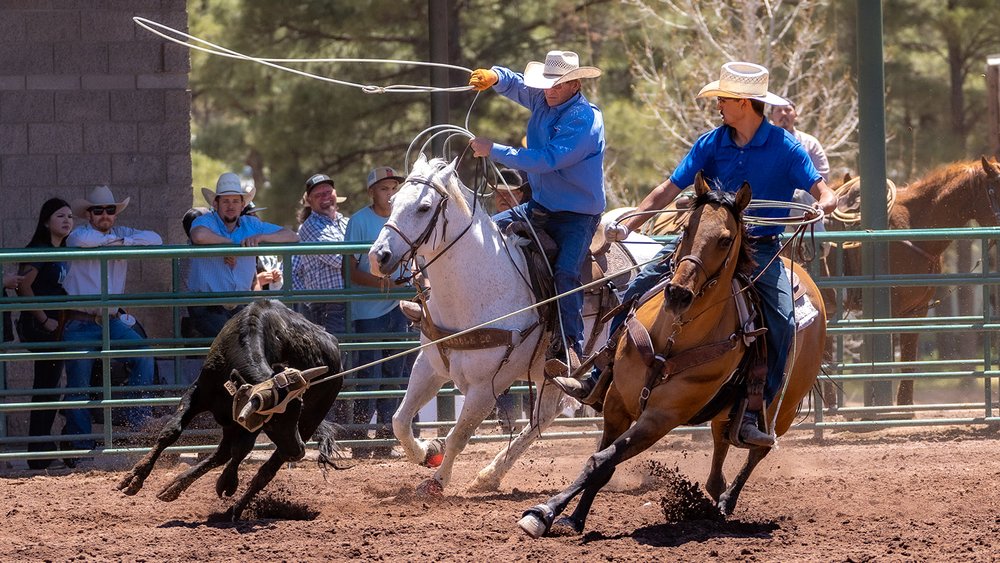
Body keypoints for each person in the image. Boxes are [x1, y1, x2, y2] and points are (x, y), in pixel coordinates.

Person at [553, 62, 837, 447]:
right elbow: (668, 189)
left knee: (783, 320)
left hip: (760, 251)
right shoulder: (710, 143)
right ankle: (601, 371)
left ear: (743, 103)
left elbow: (822, 189)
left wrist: (826, 202)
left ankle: (756, 411)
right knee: (636, 288)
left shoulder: (785, 148)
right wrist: (630, 222)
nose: (718, 105)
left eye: (723, 98)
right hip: (703, 247)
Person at [469, 49, 606, 375]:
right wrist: (496, 75)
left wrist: (494, 150)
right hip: (542, 206)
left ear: (575, 84)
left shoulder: (585, 120)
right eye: (546, 83)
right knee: (484, 231)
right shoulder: (547, 99)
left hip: (578, 216)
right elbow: (516, 85)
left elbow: (547, 159)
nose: (549, 89)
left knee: (565, 275)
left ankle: (570, 346)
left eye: (557, 84)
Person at [61, 185, 163, 451]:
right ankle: (81, 446)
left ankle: (138, 422)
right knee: (78, 385)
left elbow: (156, 239)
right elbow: (81, 242)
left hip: (111, 319)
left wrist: (121, 242)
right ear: (89, 214)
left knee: (143, 354)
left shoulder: (121, 234)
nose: (105, 215)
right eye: (99, 210)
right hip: (80, 320)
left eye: (110, 210)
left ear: (115, 214)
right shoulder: (78, 234)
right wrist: (120, 243)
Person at [343, 166, 410, 458]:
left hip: (398, 307)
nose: (391, 193)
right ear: (372, 192)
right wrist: (384, 283)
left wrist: (396, 287)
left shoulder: (403, 218)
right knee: (369, 377)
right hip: (369, 311)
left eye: (394, 187)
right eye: (384, 188)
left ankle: (384, 439)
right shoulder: (359, 221)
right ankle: (360, 441)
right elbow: (350, 271)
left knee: (393, 375)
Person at [187, 172, 298, 337]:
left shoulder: (252, 224)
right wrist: (230, 246)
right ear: (216, 204)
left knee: (266, 338)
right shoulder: (206, 221)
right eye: (225, 201)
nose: (230, 206)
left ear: (242, 205)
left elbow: (292, 236)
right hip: (206, 305)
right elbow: (198, 235)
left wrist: (261, 237)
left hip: (241, 306)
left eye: (235, 201)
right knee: (235, 342)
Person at [16, 198, 73, 469]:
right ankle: (38, 453)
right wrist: (43, 319)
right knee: (46, 386)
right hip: (41, 326)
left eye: (70, 217)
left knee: (50, 385)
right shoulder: (39, 249)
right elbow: (23, 286)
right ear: (46, 221)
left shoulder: (62, 250)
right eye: (60, 215)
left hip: (56, 325)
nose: (66, 220)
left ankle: (41, 449)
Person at [293, 173, 350, 334]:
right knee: (339, 353)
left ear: (335, 194)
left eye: (328, 192)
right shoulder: (310, 227)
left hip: (348, 299)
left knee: (354, 352)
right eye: (318, 195)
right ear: (309, 201)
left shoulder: (345, 222)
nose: (325, 197)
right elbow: (339, 259)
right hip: (329, 303)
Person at [770, 101, 830, 182]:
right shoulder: (763, 143)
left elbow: (822, 176)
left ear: (796, 115)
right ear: (771, 116)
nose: (783, 113)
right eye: (779, 110)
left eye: (788, 110)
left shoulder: (811, 143)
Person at [241, 201, 283, 291]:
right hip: (249, 302)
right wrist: (257, 281)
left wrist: (276, 279)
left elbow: (293, 236)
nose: (256, 218)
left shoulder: (265, 243)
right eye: (251, 215)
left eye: (255, 214)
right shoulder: (240, 246)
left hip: (268, 301)